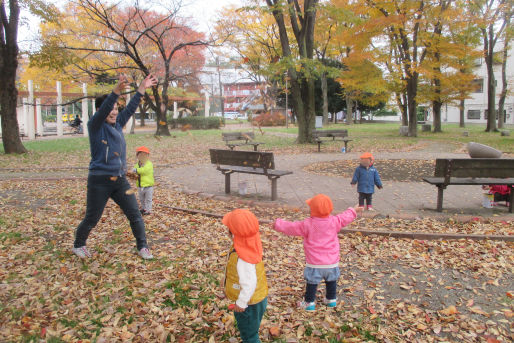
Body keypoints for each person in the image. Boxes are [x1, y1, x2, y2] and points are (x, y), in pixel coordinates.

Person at [72, 73, 158, 260]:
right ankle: (78, 244)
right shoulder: (95, 125)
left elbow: (132, 107)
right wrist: (116, 92)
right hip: (99, 181)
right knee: (92, 217)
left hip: (119, 180)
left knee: (135, 214)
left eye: (115, 108)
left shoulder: (118, 124)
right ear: (100, 111)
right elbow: (104, 111)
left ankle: (142, 247)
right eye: (109, 108)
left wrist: (142, 87)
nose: (114, 111)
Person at [272, 194, 362, 311]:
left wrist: (278, 224)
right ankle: (331, 299)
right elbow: (345, 217)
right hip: (331, 262)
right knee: (331, 280)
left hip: (314, 263)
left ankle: (309, 302)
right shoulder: (335, 221)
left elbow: (292, 227)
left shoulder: (307, 224)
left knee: (312, 282)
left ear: (312, 210)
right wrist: (353, 210)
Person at [223, 209, 268, 343]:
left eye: (228, 229)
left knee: (250, 336)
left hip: (248, 304)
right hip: (256, 299)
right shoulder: (250, 244)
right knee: (251, 328)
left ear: (233, 234)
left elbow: (249, 283)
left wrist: (241, 303)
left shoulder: (243, 258)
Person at [132, 146, 154, 215]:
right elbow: (135, 173)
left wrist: (136, 170)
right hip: (140, 185)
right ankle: (144, 208)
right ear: (137, 156)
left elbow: (144, 171)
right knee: (141, 199)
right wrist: (133, 173)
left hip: (148, 185)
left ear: (147, 156)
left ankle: (148, 210)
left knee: (148, 199)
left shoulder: (149, 164)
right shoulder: (137, 165)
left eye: (144, 155)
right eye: (140, 155)